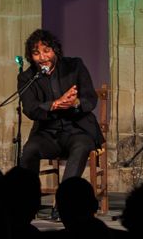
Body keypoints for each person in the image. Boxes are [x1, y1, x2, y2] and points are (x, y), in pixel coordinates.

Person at [17, 28, 102, 182]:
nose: (43, 57)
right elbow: (30, 109)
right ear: (31, 56)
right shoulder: (27, 78)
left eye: (47, 51)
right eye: (36, 53)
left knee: (81, 147)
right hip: (46, 133)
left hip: (78, 130)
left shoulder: (75, 66)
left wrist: (75, 103)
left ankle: (65, 198)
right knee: (29, 150)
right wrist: (55, 104)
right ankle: (27, 199)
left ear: (55, 50)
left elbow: (91, 99)